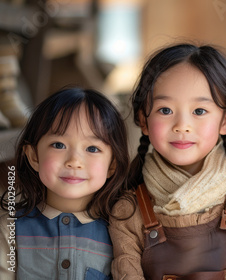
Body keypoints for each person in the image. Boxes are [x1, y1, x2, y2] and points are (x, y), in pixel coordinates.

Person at [109, 43, 226, 279]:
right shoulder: (128, 210)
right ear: (144, 120)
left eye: (199, 111)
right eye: (165, 110)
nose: (182, 126)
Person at [0, 87, 129, 280]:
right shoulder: (10, 229)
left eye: (92, 148)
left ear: (112, 165)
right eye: (59, 145)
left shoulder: (120, 233)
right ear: (34, 156)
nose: (74, 161)